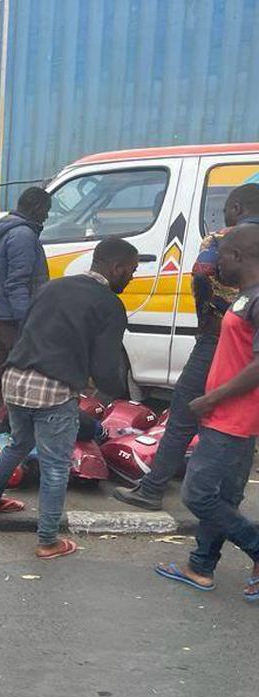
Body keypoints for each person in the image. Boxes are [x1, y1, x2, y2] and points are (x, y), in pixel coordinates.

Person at [0, 237, 139, 559]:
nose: (132, 277)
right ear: (116, 267)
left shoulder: (52, 287)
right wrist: (114, 393)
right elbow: (106, 365)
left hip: (15, 378)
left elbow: (28, 331)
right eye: (131, 270)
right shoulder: (109, 304)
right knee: (56, 465)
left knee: (19, 443)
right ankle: (48, 540)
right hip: (52, 388)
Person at [116, 185, 259, 510]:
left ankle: (151, 489)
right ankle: (229, 501)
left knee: (184, 412)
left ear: (236, 207)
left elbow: (202, 274)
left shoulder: (224, 240)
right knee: (246, 419)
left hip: (219, 338)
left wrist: (210, 316)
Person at [154, 226, 259, 599]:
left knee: (197, 494)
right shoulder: (246, 298)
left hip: (232, 416)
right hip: (234, 416)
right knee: (224, 498)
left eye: (223, 256)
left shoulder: (257, 298)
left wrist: (212, 399)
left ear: (239, 257)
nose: (217, 265)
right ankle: (200, 566)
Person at [0, 186, 53, 431]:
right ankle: (17, 428)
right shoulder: (23, 236)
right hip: (13, 319)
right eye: (46, 211)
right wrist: (27, 321)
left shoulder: (1, 233)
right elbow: (18, 282)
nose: (47, 217)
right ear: (36, 208)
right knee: (29, 372)